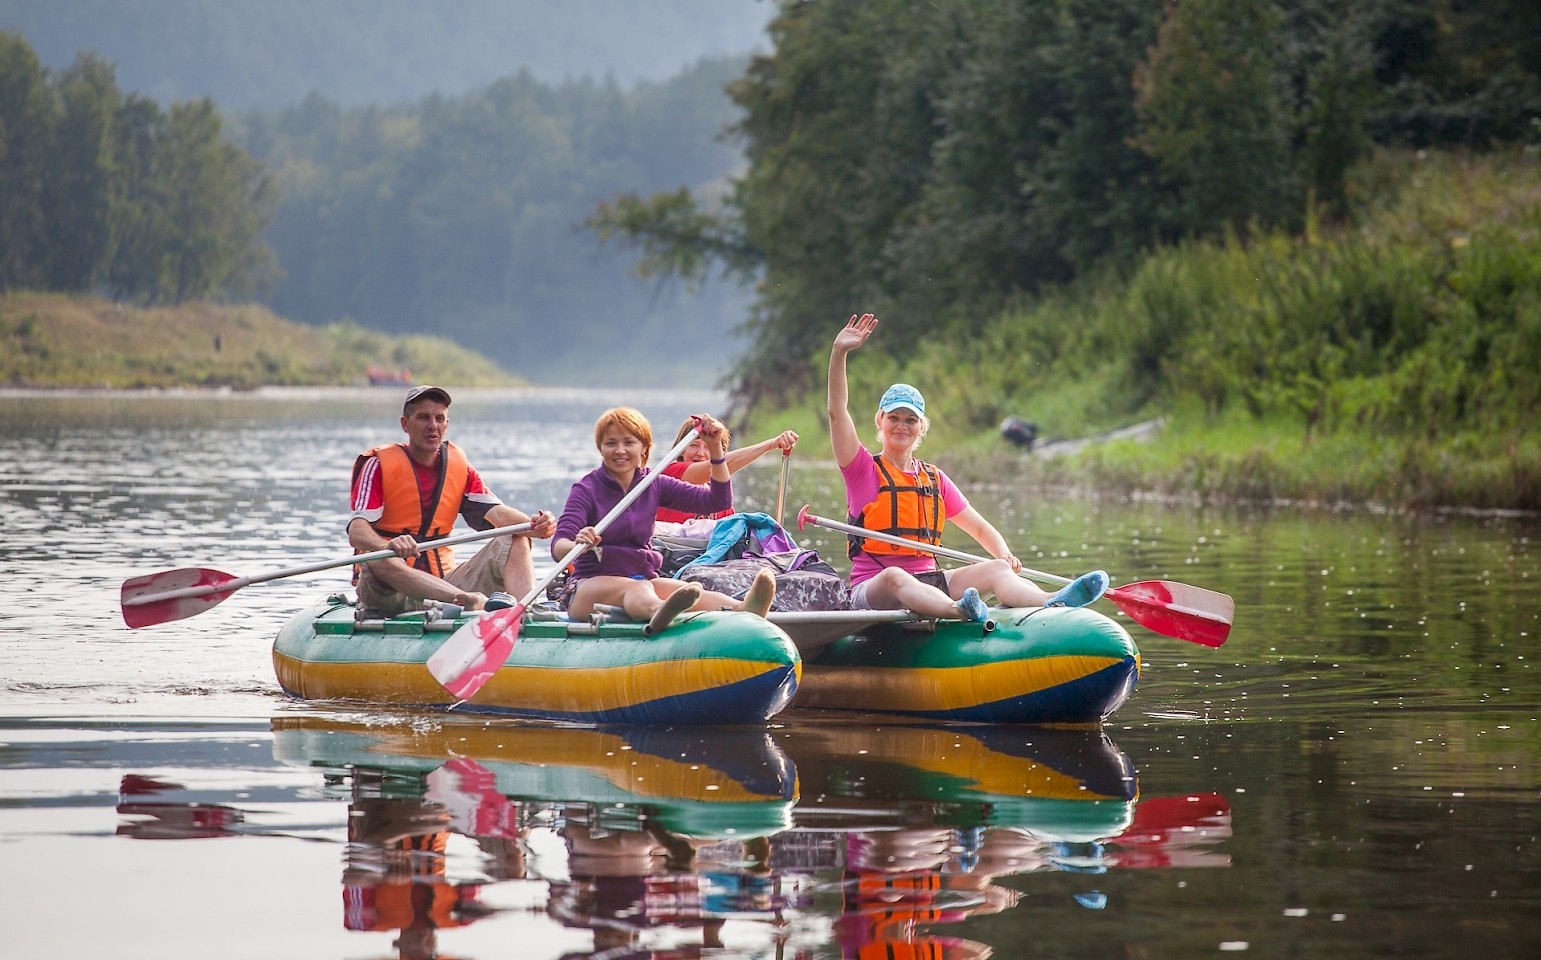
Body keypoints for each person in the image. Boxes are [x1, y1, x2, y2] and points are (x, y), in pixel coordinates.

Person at [827, 314, 1108, 621]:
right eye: (893, 418)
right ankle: (957, 611)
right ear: (879, 421)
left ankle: (1050, 600)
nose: (901, 426)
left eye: (910, 420)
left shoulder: (933, 478)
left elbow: (979, 528)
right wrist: (839, 352)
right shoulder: (861, 470)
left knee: (998, 568)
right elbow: (837, 411)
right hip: (875, 588)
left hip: (930, 581)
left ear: (922, 428)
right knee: (896, 575)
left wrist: (1004, 554)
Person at [552, 407, 776, 634]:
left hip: (643, 578)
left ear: (644, 448)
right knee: (638, 590)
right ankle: (660, 611)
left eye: (629, 442)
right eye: (611, 443)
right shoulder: (586, 489)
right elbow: (558, 546)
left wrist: (716, 448)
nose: (620, 451)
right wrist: (577, 545)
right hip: (588, 586)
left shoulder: (654, 483)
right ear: (601, 448)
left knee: (690, 590)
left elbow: (718, 501)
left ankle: (744, 609)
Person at [348, 385, 556, 618]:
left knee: (515, 535)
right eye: (423, 418)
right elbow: (357, 531)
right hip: (390, 591)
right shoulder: (378, 466)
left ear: (447, 425)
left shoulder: (459, 469)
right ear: (405, 424)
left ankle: (524, 611)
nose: (432, 426)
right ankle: (463, 600)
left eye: (439, 419)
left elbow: (498, 514)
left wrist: (535, 526)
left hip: (443, 584)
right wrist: (387, 546)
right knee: (378, 559)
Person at [654, 417, 800, 525]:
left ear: (720, 452)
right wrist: (771, 444)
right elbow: (719, 465)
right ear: (681, 451)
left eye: (709, 447)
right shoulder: (668, 474)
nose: (701, 453)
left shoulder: (720, 499)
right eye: (694, 445)